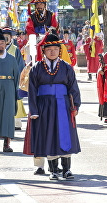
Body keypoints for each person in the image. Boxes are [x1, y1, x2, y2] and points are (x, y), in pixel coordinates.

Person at [27, 34, 81, 180]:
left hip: (63, 105)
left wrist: (75, 105)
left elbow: (73, 88)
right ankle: (53, 170)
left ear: (60, 50)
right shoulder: (36, 68)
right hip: (44, 106)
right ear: (43, 51)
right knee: (49, 136)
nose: (52, 52)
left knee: (65, 135)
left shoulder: (66, 68)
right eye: (49, 49)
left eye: (55, 49)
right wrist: (34, 110)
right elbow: (32, 91)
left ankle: (67, 169)